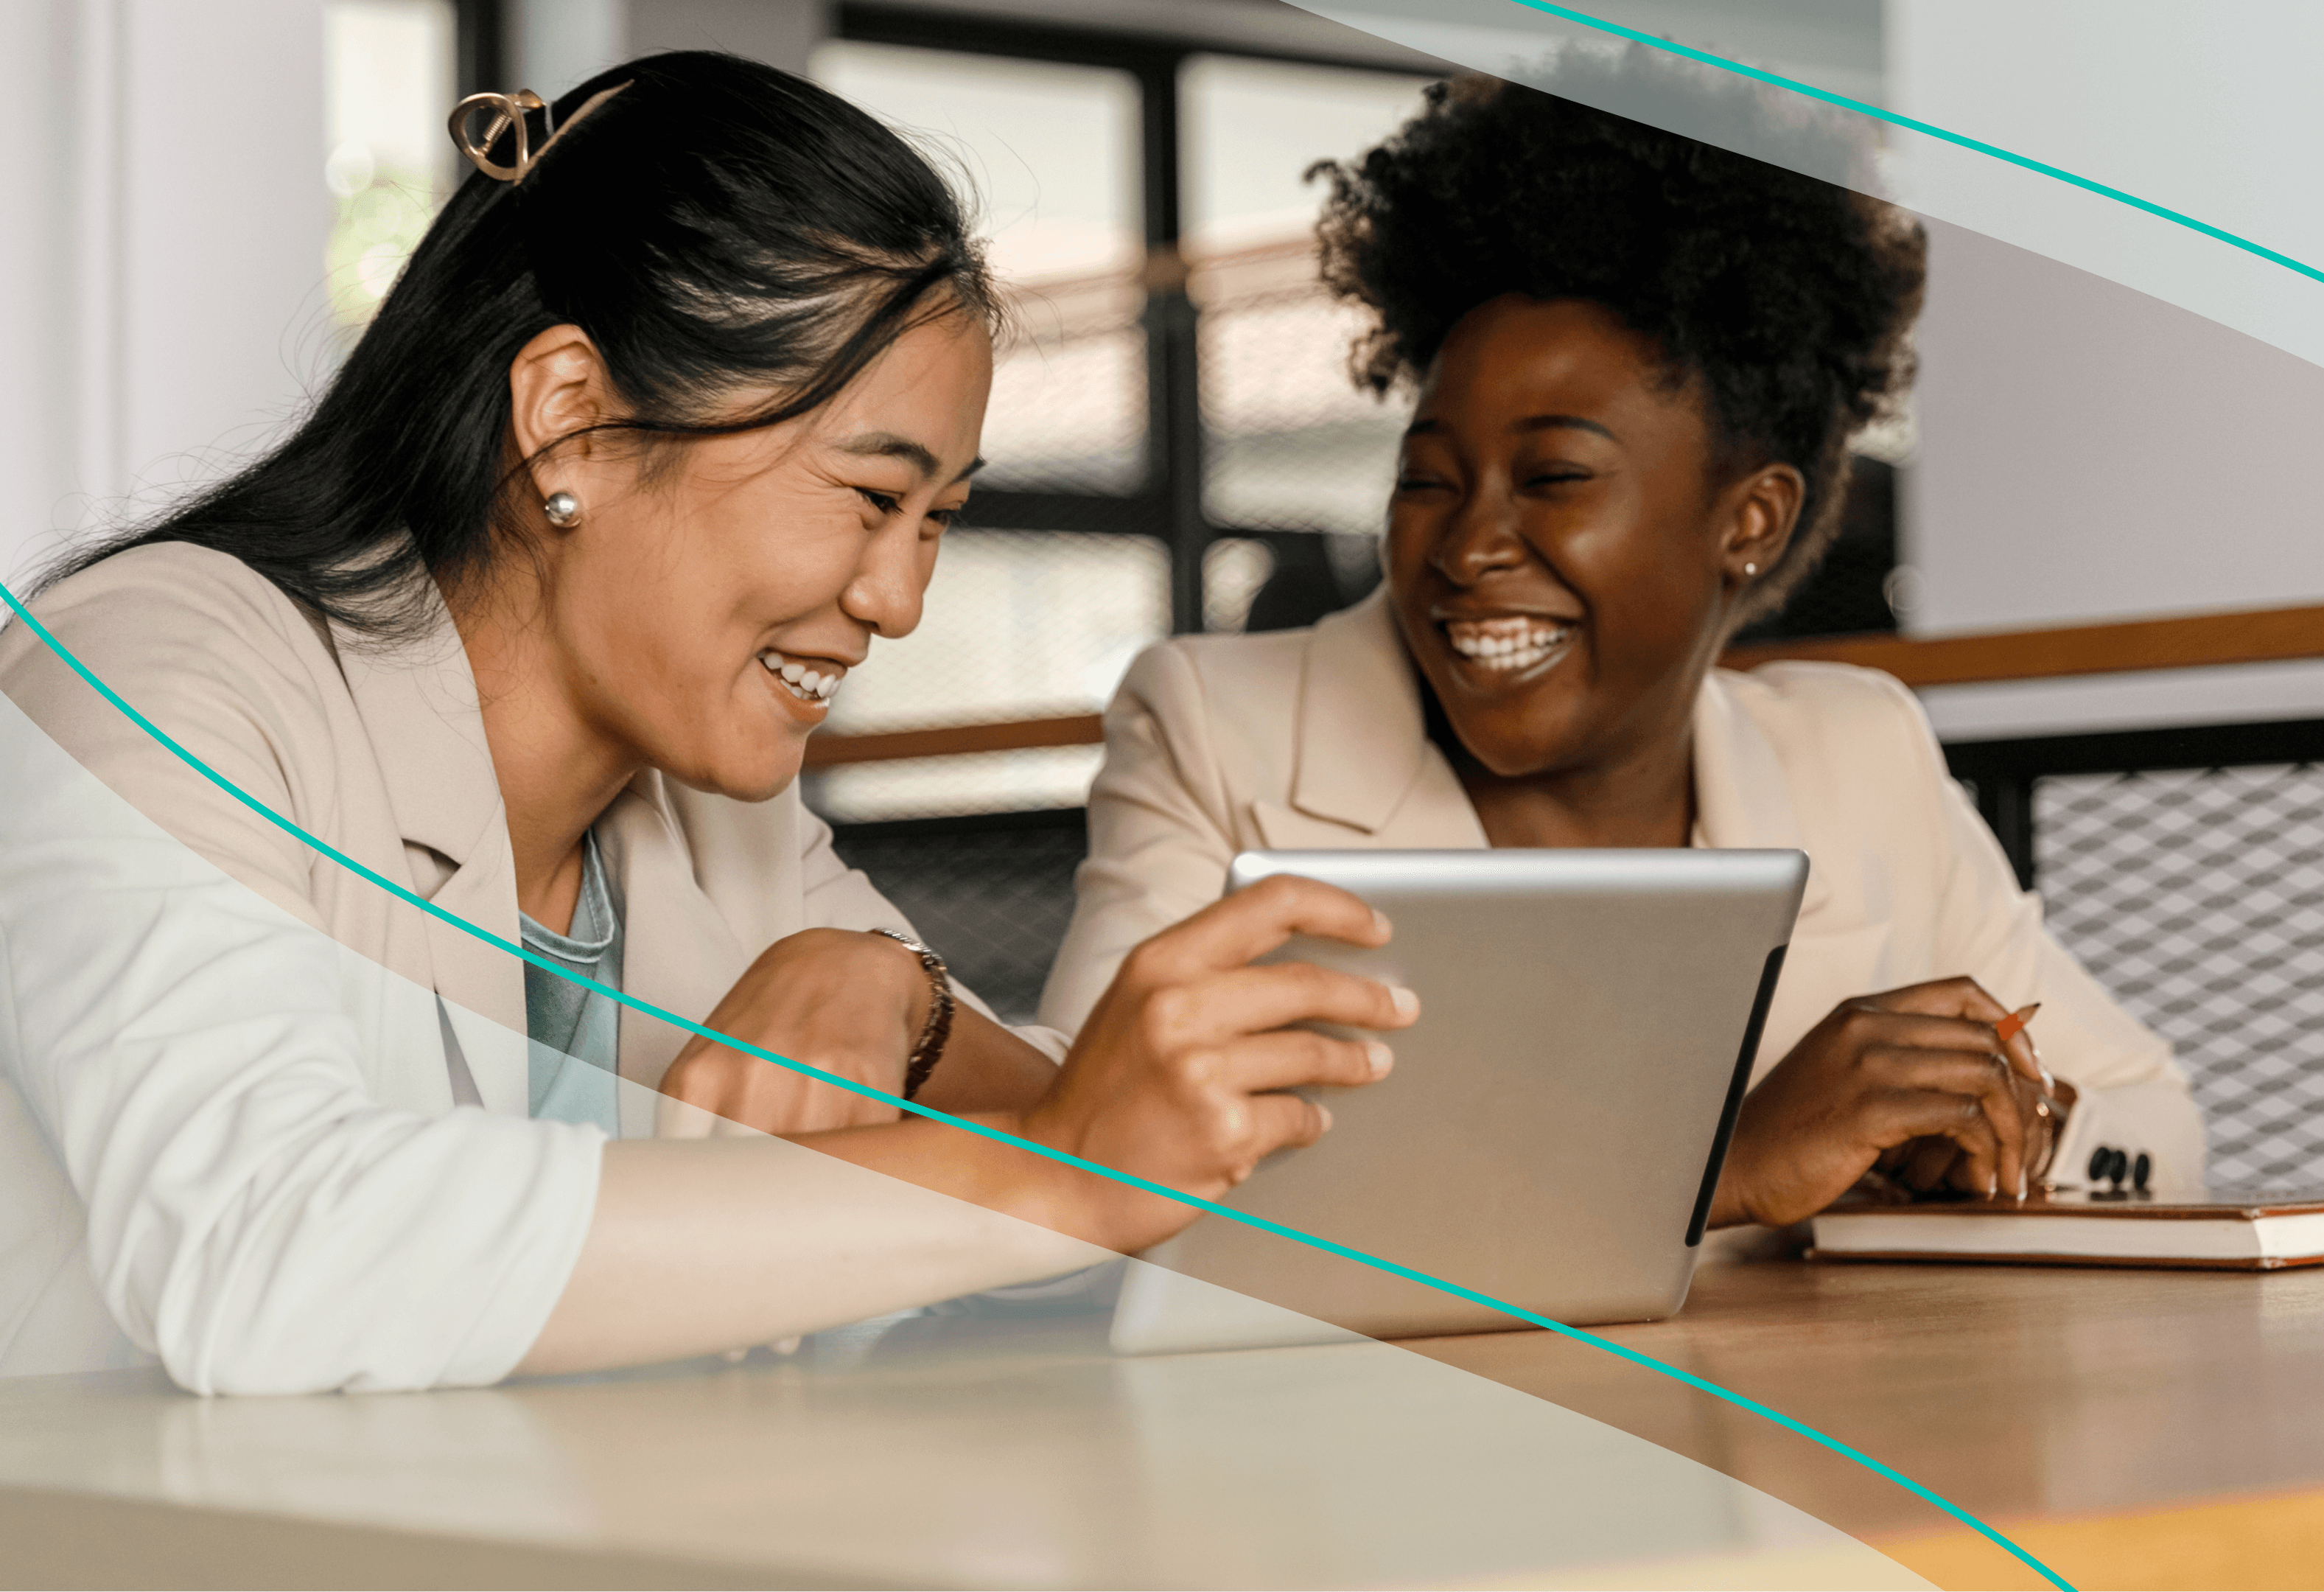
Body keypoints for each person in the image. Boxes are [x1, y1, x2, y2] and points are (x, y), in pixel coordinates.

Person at [0, 52, 1413, 1395]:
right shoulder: (152, 675)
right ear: (572, 424)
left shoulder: (720, 813)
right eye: (871, 497)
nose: (901, 598)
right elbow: (264, 1254)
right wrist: (1066, 1185)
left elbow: (1071, 1132)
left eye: (942, 521)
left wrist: (902, 1001)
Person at [1040, 63, 2204, 1231]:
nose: (1467, 546)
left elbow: (2157, 1124)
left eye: (1554, 478)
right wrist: (1719, 1171)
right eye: (1428, 480)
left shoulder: (1861, 752)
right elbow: (1096, 1179)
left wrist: (2008, 1136)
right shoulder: (1215, 728)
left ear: (1751, 520)